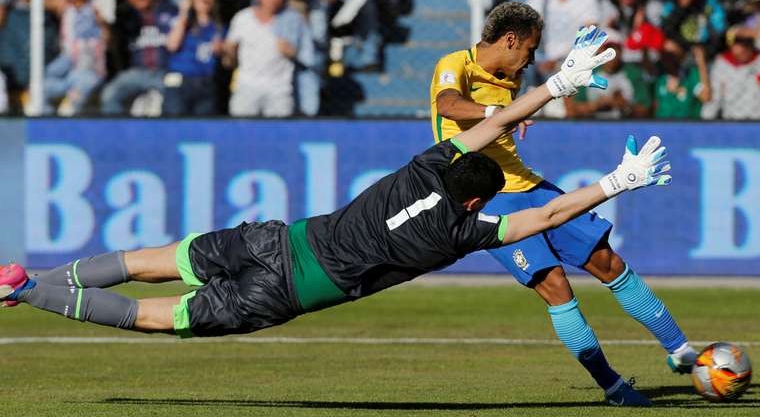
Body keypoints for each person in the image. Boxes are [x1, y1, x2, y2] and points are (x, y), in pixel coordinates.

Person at [2, 29, 669, 390]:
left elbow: (485, 129)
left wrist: (552, 85)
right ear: (477, 199)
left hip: (272, 242)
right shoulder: (465, 232)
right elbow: (548, 217)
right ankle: (30, 291)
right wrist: (618, 180)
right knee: (159, 317)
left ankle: (24, 277)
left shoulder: (424, 166)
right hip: (288, 290)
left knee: (152, 260)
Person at [430, 2, 695, 407]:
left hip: (530, 185)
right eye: (530, 50)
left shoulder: (512, 77)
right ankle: (613, 387)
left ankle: (682, 352)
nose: (530, 59)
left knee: (609, 262)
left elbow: (520, 106)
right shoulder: (455, 64)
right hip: (490, 198)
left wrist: (560, 82)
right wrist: (496, 112)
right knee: (555, 285)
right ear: (510, 39)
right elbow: (448, 104)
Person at [222, 0, 316, 117]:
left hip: (280, 88)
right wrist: (228, 52)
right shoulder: (243, 18)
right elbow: (230, 50)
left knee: (279, 134)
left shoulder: (293, 19)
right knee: (242, 131)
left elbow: (308, 55)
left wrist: (291, 52)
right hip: (247, 85)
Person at [525, 0, 601, 117]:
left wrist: (561, 62)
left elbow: (590, 39)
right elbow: (525, 30)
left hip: (571, 63)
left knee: (557, 112)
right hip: (541, 63)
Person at [100, 0, 176, 115]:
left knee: (173, 99)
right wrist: (104, 25)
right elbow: (110, 43)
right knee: (109, 94)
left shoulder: (168, 10)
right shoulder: (124, 19)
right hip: (137, 72)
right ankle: (114, 134)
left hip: (165, 71)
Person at [43, 0, 107, 115]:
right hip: (66, 67)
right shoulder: (66, 7)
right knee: (38, 90)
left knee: (74, 101)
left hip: (88, 68)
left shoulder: (96, 7)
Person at [163, 0, 223, 116]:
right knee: (175, 127)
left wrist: (222, 50)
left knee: (202, 130)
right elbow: (172, 45)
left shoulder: (219, 28)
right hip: (180, 81)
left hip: (206, 83)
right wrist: (184, 12)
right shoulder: (181, 21)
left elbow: (227, 61)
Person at [702, 28, 760, 120]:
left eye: (746, 43)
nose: (743, 48)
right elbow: (714, 101)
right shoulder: (721, 64)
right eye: (738, 43)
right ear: (731, 45)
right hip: (735, 123)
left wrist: (756, 34)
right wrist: (704, 124)